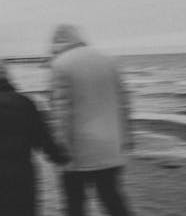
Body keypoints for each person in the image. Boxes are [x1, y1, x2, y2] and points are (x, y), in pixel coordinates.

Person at [0, 58, 69, 216]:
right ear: (8, 78)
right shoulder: (26, 103)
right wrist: (60, 157)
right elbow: (42, 139)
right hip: (22, 175)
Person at [49, 24, 133, 216]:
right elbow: (123, 104)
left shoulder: (61, 64)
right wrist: (127, 138)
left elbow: (61, 111)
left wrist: (61, 146)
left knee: (75, 204)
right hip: (111, 146)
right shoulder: (108, 61)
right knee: (112, 198)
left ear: (58, 42)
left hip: (79, 150)